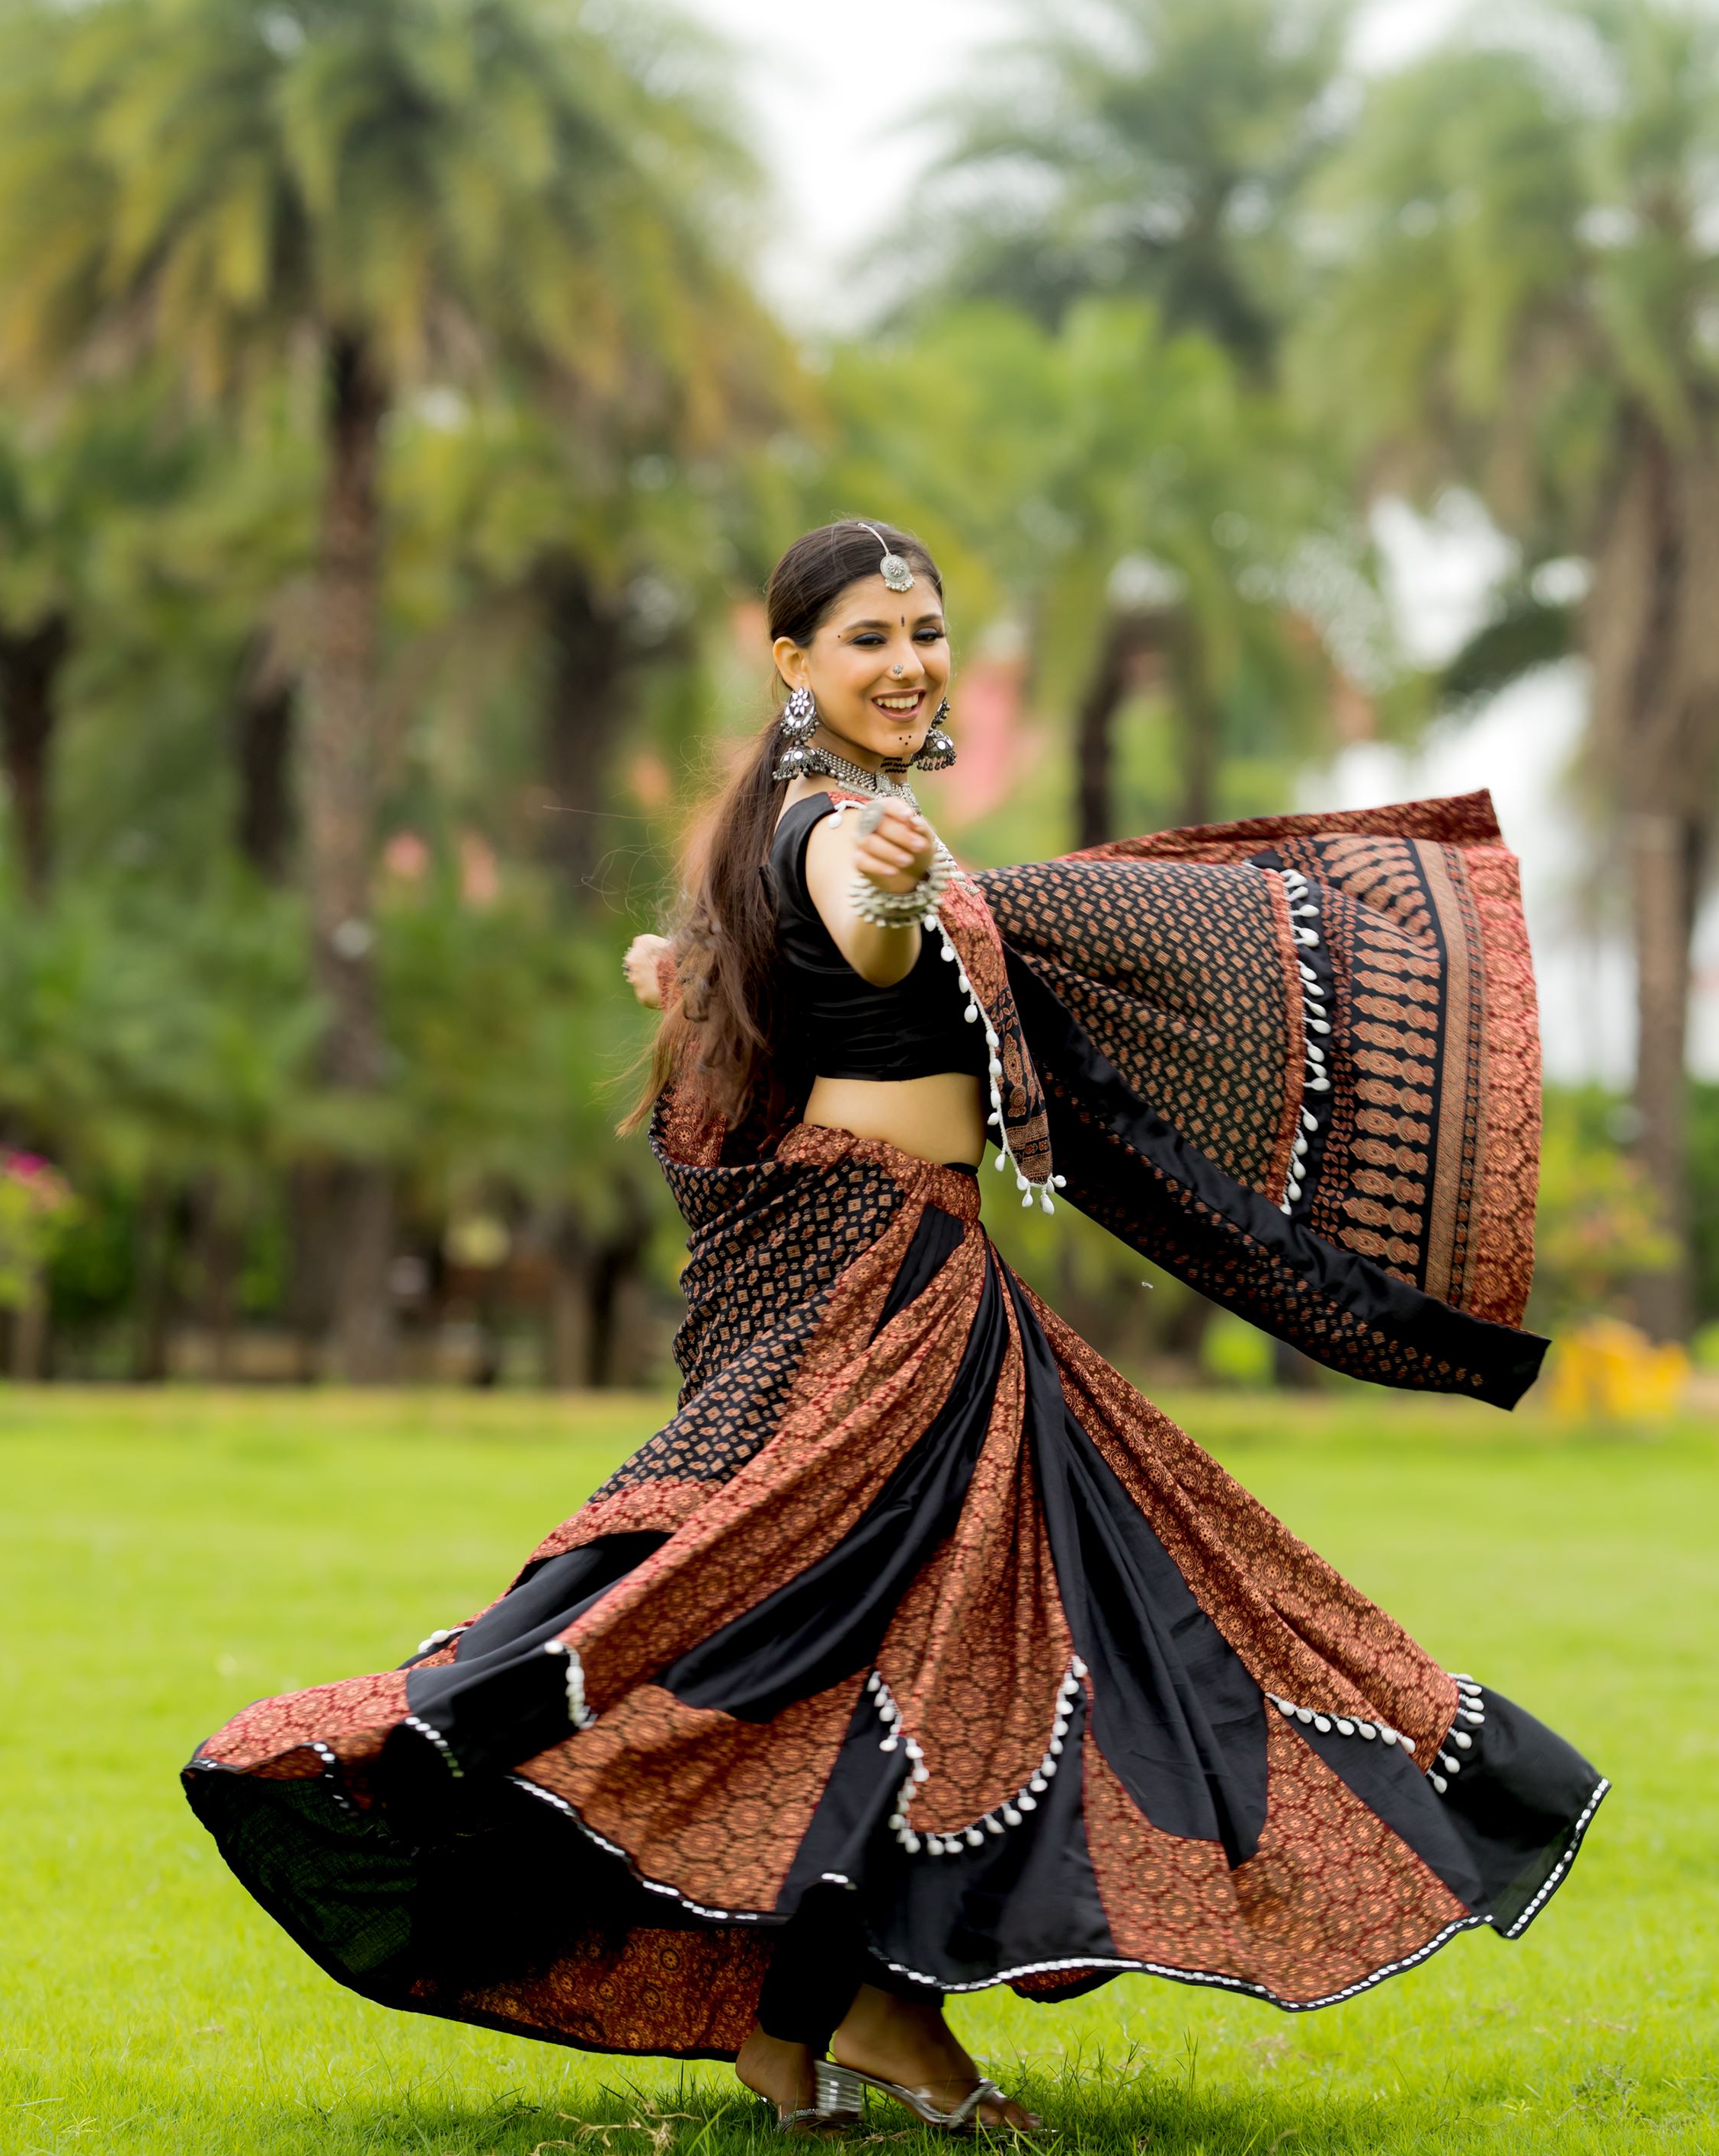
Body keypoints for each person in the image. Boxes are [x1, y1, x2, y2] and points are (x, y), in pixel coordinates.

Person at [184, 520, 1605, 2138]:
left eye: (925, 631)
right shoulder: (844, 830)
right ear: (793, 663)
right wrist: (883, 899)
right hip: (885, 1293)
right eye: (868, 636)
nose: (909, 660)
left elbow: (805, 969)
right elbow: (858, 925)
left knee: (921, 1641)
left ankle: (800, 2024)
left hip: (917, 1270)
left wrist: (710, 961)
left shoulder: (803, 824)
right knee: (897, 1624)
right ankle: (863, 2011)